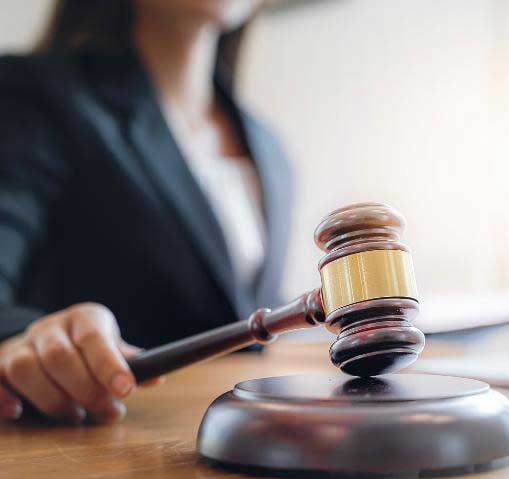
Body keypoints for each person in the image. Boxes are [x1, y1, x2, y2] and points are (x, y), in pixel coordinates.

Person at [0, 0, 292, 424]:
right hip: (100, 450)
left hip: (243, 450)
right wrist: (22, 338)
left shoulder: (268, 146)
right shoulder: (35, 95)